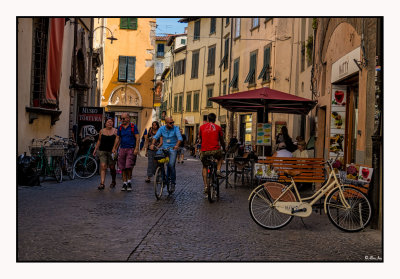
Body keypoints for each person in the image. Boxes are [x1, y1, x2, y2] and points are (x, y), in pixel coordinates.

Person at [149, 117, 182, 192]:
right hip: (163, 148)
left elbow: (179, 138)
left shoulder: (176, 128)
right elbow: (156, 137)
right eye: (170, 123)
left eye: (173, 122)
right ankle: (161, 175)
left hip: (173, 148)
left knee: (171, 165)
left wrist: (177, 145)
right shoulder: (162, 129)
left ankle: (172, 183)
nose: (172, 124)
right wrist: (152, 144)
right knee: (157, 158)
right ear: (166, 123)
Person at [112, 113, 140, 191]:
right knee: (122, 167)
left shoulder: (133, 126)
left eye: (123, 119)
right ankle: (124, 183)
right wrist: (114, 148)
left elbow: (137, 138)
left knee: (128, 166)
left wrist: (136, 148)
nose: (122, 120)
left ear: (128, 118)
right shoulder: (120, 128)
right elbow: (117, 138)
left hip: (131, 149)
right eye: (121, 118)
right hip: (122, 149)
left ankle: (129, 181)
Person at [199, 113, 226, 194]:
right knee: (220, 157)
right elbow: (221, 140)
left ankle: (206, 186)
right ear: (215, 119)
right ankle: (218, 170)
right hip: (215, 150)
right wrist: (224, 148)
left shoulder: (201, 127)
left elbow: (200, 139)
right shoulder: (218, 127)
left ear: (207, 119)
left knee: (204, 166)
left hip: (204, 151)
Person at [93, 118, 117, 190]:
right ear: (105, 123)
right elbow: (99, 140)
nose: (110, 123)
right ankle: (102, 183)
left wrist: (115, 149)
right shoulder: (102, 131)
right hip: (102, 151)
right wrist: (95, 149)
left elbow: (118, 141)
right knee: (103, 166)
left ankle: (113, 181)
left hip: (111, 152)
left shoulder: (115, 131)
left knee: (112, 167)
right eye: (108, 122)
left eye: (111, 122)